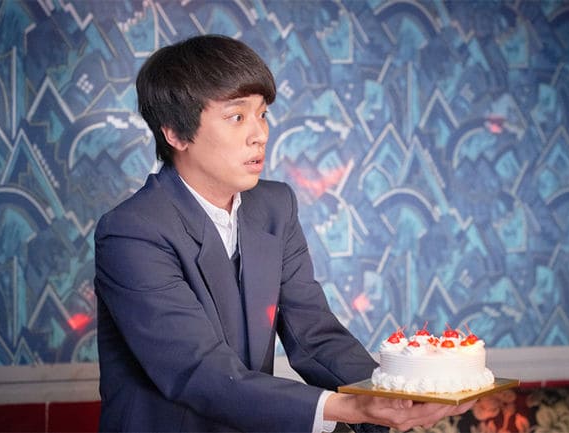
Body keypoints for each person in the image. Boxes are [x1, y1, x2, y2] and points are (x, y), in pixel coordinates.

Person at [94, 34, 474, 432]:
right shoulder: (131, 232)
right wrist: (351, 409)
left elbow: (314, 335)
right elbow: (197, 370)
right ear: (175, 133)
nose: (259, 134)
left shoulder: (275, 205)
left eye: (262, 114)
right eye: (237, 117)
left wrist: (390, 397)